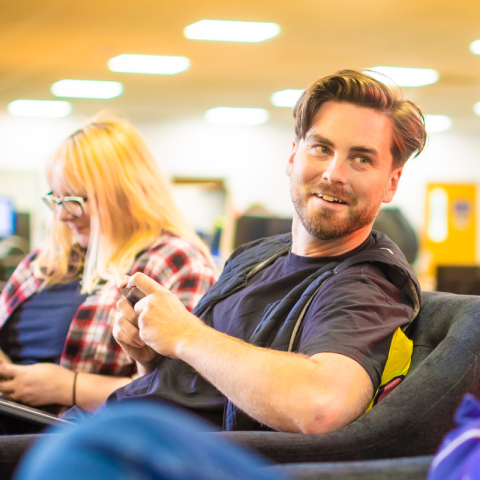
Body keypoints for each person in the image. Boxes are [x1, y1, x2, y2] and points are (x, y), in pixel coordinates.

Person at [105, 69, 427, 435]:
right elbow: (201, 387)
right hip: (121, 431)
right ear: (293, 157)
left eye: (361, 159)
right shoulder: (253, 258)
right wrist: (153, 359)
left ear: (392, 183)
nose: (334, 173)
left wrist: (185, 334)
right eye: (321, 148)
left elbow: (321, 408)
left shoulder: (367, 284)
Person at [0, 114, 216, 425]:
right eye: (56, 200)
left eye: (73, 200)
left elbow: (185, 391)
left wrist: (67, 387)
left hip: (73, 435)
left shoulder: (175, 262)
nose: (62, 216)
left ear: (123, 194)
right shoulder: (46, 260)